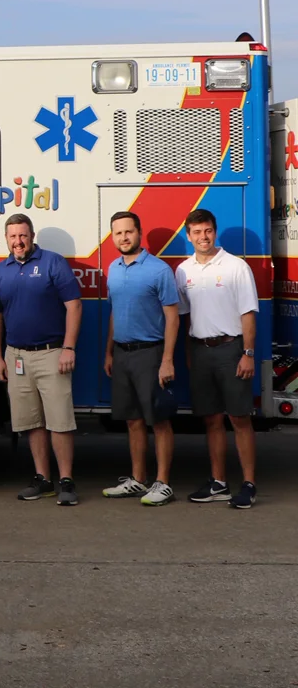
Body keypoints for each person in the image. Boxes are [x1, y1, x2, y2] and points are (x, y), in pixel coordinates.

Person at [0, 213, 82, 506]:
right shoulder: (0, 271)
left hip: (52, 353)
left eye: (23, 235)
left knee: (60, 421)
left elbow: (74, 306)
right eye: (13, 236)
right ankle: (43, 479)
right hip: (16, 356)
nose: (18, 241)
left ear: (32, 237)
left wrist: (69, 347)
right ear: (6, 239)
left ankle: (66, 480)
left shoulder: (53, 262)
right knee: (32, 422)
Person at [177, 209, 260, 509]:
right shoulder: (183, 271)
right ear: (188, 236)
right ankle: (219, 483)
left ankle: (248, 484)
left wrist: (248, 354)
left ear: (215, 232)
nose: (203, 237)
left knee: (239, 419)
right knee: (211, 420)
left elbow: (248, 314)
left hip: (231, 350)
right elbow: (185, 319)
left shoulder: (236, 267)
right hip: (200, 352)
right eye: (197, 232)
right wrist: (189, 356)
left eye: (208, 230)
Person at [102, 211, 180, 506]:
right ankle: (137, 479)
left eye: (128, 232)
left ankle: (163, 483)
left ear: (139, 233)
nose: (123, 237)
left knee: (159, 421)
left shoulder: (159, 270)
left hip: (151, 354)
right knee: (133, 421)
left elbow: (173, 319)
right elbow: (114, 313)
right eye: (118, 233)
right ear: (113, 237)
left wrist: (168, 360)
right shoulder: (113, 268)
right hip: (122, 355)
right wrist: (109, 351)